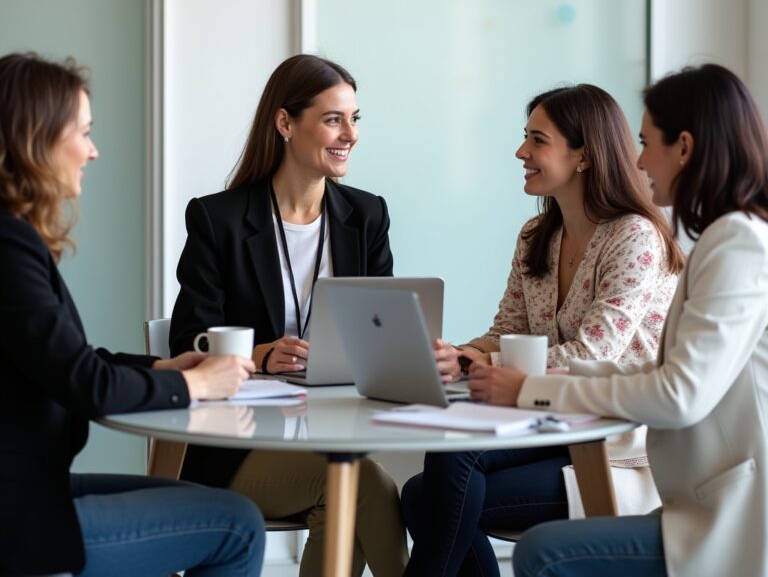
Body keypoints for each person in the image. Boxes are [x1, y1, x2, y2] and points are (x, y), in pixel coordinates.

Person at [492, 64, 768, 577]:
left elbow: (677, 395)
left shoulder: (736, 243)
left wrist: (534, 389)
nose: (639, 159)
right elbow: (655, 375)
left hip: (731, 519)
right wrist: (526, 379)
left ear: (683, 147)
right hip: (698, 505)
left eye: (647, 142)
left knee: (541, 553)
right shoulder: (725, 238)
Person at [0, 53, 265, 577]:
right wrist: (196, 387)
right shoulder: (7, 246)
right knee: (237, 523)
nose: (93, 151)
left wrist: (162, 369)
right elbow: (86, 384)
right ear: (38, 139)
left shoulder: (13, 239)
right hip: (16, 516)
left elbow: (68, 362)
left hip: (30, 486)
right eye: (83, 132)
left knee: (194, 499)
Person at [402, 84, 684, 577]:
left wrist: (485, 363)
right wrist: (460, 353)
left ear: (583, 156)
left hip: (611, 437)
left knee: (434, 491)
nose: (521, 152)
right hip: (547, 417)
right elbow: (506, 329)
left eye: (538, 140)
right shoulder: (536, 236)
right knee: (423, 490)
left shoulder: (635, 237)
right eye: (525, 137)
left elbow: (593, 353)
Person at [169, 53, 407, 577]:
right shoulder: (218, 218)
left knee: (348, 497)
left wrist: (412, 351)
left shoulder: (367, 216)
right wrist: (258, 354)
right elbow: (187, 339)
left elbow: (383, 332)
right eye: (333, 119)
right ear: (284, 123)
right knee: (363, 487)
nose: (350, 134)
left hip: (337, 432)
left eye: (355, 119)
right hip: (238, 443)